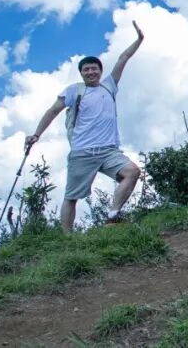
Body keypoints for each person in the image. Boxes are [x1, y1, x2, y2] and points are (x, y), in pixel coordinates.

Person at [25, 22, 145, 232]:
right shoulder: (74, 90)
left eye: (94, 68)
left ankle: (113, 216)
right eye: (86, 69)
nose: (90, 72)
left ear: (100, 71)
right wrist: (36, 134)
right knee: (71, 197)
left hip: (109, 151)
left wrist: (139, 40)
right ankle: (66, 238)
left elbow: (123, 58)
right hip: (82, 151)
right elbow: (53, 111)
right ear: (81, 73)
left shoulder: (109, 86)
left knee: (132, 172)